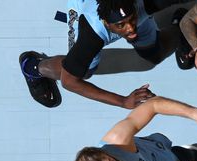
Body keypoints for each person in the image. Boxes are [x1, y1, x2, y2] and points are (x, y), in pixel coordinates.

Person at [19, 0, 182, 109]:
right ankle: (33, 66)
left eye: (131, 20)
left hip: (136, 10)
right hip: (82, 10)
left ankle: (182, 24)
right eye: (121, 25)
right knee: (83, 72)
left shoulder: (145, 4)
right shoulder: (91, 35)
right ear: (106, 22)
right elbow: (69, 82)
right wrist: (123, 101)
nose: (130, 29)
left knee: (154, 54)